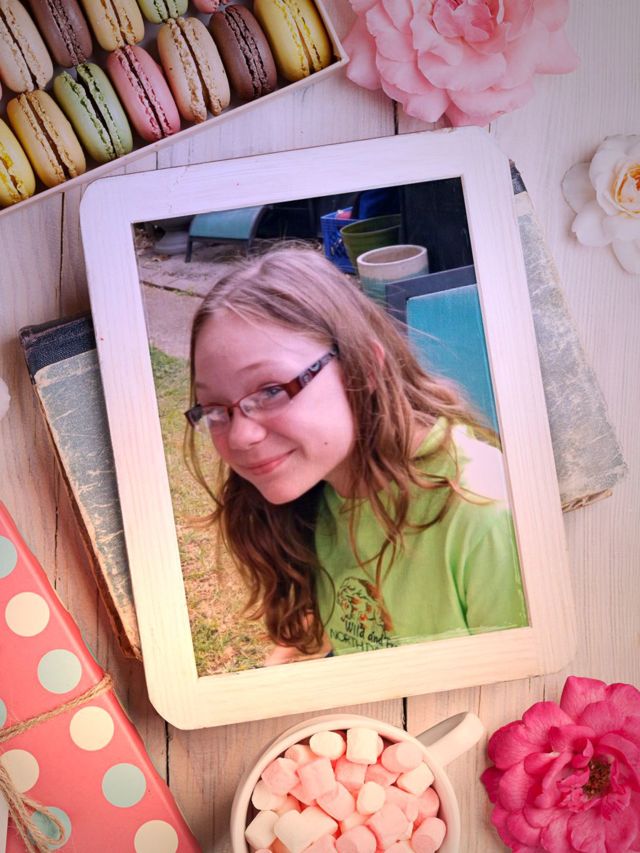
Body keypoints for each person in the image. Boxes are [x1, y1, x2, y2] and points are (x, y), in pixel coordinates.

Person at [184, 245, 527, 665]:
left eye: (271, 390)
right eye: (215, 409)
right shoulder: (320, 490)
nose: (240, 436)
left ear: (364, 368)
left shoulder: (488, 515)